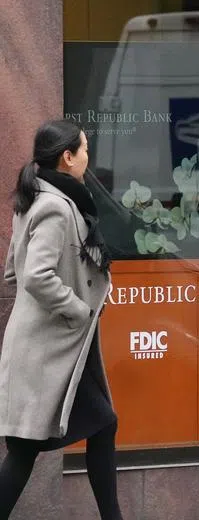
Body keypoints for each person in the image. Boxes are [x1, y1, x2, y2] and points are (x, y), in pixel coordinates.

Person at [0, 120, 123, 519]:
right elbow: (34, 275)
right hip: (49, 349)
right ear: (68, 158)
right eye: (84, 149)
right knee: (22, 454)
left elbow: (12, 271)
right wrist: (79, 309)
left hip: (59, 349)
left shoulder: (38, 197)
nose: (89, 156)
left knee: (103, 424)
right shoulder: (55, 205)